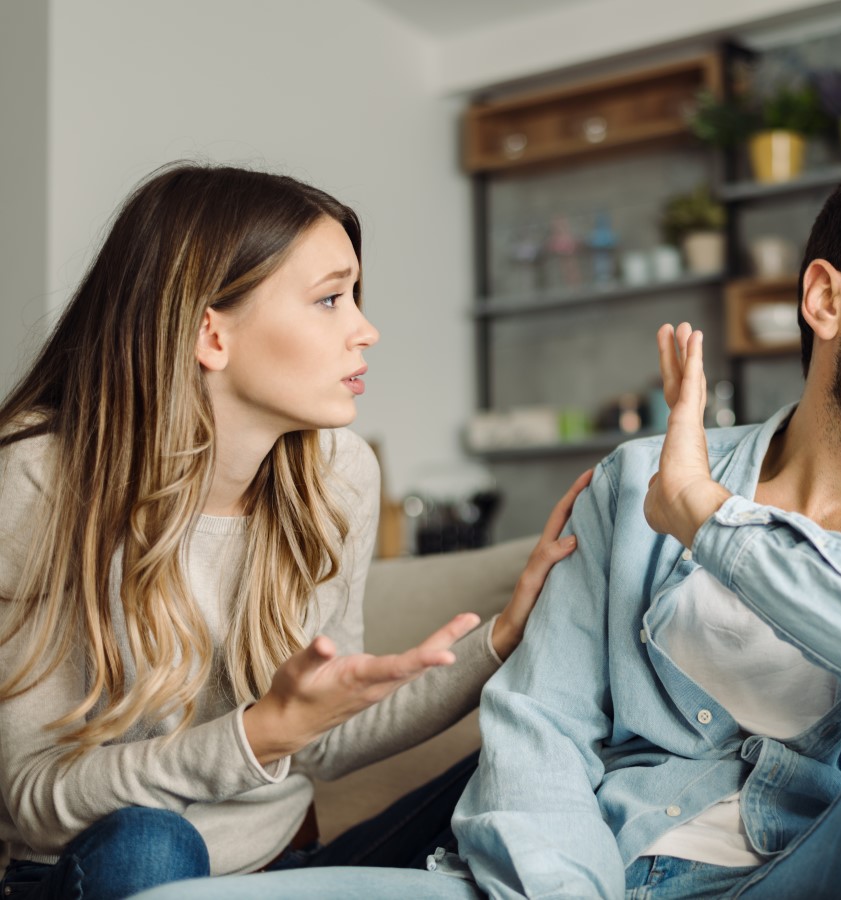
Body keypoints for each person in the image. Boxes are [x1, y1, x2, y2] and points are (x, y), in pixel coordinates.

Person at [137, 151, 841, 900]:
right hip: (590, 875)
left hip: (804, 876)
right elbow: (540, 729)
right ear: (824, 299)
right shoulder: (637, 478)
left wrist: (710, 523)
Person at [0, 163, 590, 900]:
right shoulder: (40, 478)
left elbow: (325, 738)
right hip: (95, 870)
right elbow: (30, 797)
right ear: (209, 332)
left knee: (541, 769)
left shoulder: (336, 472)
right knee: (153, 841)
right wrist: (258, 736)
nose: (366, 330)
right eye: (330, 299)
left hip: (282, 869)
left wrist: (505, 635)